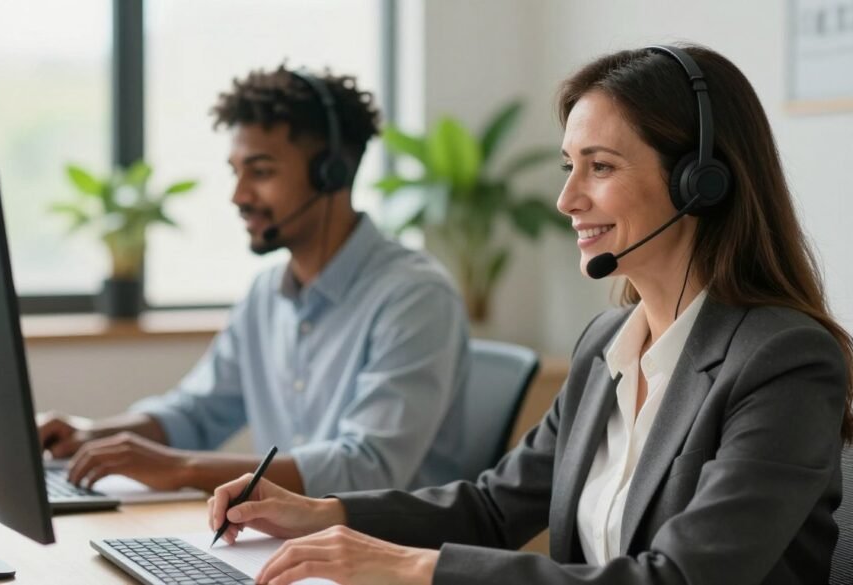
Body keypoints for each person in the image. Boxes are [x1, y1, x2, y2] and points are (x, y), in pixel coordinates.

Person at [207, 44, 853, 584]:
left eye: (599, 167)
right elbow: (493, 507)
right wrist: (323, 513)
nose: (568, 198)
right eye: (569, 166)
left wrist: (416, 568)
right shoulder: (610, 342)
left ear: (700, 182)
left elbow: (678, 577)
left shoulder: (783, 359)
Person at [38, 65, 471, 498]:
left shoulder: (415, 297)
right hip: (290, 542)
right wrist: (91, 434)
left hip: (384, 552)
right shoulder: (266, 295)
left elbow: (367, 470)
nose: (238, 195)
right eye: (236, 172)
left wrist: (182, 468)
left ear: (331, 174)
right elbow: (197, 413)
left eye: (260, 172)